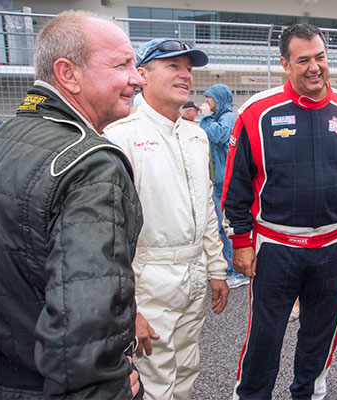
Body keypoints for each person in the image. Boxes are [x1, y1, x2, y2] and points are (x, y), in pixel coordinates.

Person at [222, 23, 337, 399]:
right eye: (303, 60)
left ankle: (309, 393)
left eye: (321, 57)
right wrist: (241, 242)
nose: (315, 67)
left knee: (320, 334)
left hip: (333, 247)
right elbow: (236, 186)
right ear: (284, 64)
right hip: (275, 249)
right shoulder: (256, 113)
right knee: (264, 337)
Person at [0, 10, 143, 398]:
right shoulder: (90, 163)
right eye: (122, 64)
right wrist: (108, 389)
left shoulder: (7, 135)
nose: (137, 78)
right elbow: (85, 319)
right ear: (68, 74)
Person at [103, 37, 229, 400]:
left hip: (192, 272)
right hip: (147, 278)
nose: (185, 75)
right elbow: (108, 234)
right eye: (173, 66)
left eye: (188, 68)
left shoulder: (195, 136)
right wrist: (129, 307)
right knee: (154, 379)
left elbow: (206, 210)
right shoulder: (120, 136)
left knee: (187, 369)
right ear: (141, 74)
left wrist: (216, 269)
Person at [199, 83, 249, 289]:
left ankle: (237, 272)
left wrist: (205, 116)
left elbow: (218, 136)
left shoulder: (227, 117)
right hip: (219, 182)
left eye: (210, 98)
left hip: (225, 182)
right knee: (220, 227)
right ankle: (230, 267)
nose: (207, 102)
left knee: (226, 227)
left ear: (218, 100)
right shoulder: (221, 117)